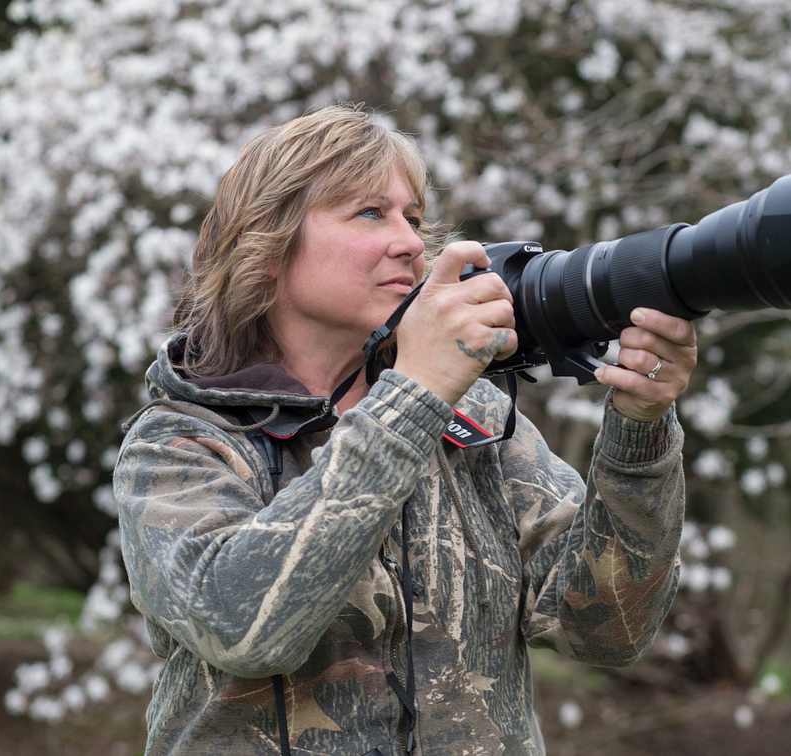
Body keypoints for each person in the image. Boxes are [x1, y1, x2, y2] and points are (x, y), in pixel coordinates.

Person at [114, 103, 697, 756]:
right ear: (269, 243)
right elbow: (245, 628)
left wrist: (639, 436)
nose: (412, 243)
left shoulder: (471, 419)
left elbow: (608, 628)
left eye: (413, 218)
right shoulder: (180, 443)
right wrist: (413, 394)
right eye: (370, 212)